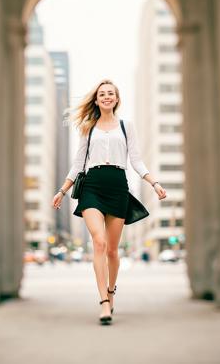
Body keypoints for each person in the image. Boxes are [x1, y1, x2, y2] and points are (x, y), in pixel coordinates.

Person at [51, 79, 167, 325]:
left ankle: (111, 292)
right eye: (102, 93)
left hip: (117, 186)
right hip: (92, 186)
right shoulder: (88, 128)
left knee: (113, 250)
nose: (106, 97)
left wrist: (154, 183)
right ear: (96, 99)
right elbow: (78, 163)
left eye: (110, 93)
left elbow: (135, 160)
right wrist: (62, 191)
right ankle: (103, 301)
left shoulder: (126, 127)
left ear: (116, 99)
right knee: (99, 243)